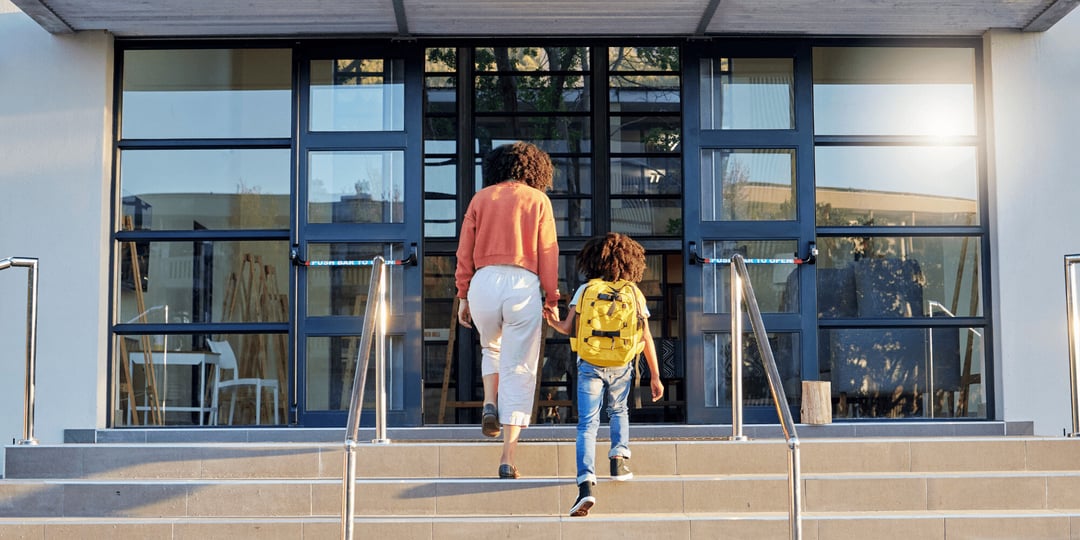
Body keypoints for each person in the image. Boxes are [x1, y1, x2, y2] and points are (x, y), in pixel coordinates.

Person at [455, 141, 561, 480]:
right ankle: (507, 456)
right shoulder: (538, 200)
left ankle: (489, 402)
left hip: (483, 282)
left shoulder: (481, 198)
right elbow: (549, 250)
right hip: (522, 283)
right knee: (520, 367)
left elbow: (464, 249)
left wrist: (463, 295)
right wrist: (552, 296)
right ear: (536, 170)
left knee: (492, 348)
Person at [545, 232, 663, 517]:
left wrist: (551, 318)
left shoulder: (585, 291)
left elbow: (567, 328)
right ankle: (619, 459)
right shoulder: (633, 292)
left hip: (589, 363)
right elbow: (645, 335)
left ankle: (585, 485)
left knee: (587, 424)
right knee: (619, 409)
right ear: (630, 262)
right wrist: (655, 376)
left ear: (593, 261)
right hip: (622, 363)